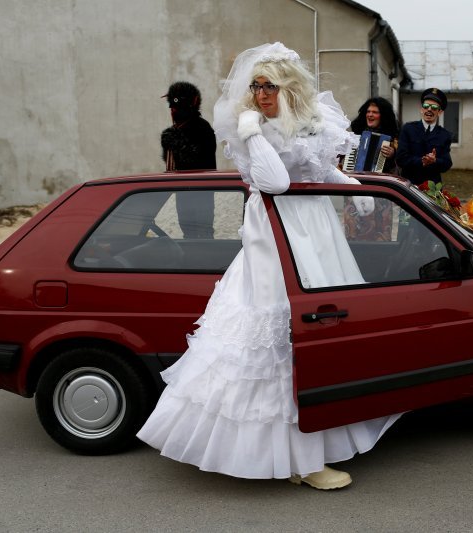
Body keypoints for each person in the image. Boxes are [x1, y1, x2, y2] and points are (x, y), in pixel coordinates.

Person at [137, 42, 400, 490]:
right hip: (277, 238)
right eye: (257, 86)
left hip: (316, 233)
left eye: (270, 86)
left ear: (289, 87)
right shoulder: (249, 129)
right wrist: (252, 131)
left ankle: (315, 446)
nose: (261, 94)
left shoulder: (309, 121)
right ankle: (301, 462)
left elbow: (319, 169)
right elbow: (276, 182)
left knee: (323, 338)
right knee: (279, 342)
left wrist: (354, 187)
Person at [161, 81, 217, 238]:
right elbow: (171, 166)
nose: (173, 111)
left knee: (201, 232)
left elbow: (199, 162)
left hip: (200, 192)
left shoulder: (202, 128)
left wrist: (175, 141)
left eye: (177, 107)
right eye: (172, 107)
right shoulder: (175, 130)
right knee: (188, 231)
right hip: (183, 191)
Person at [343, 97, 400, 240]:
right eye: (368, 111)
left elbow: (401, 164)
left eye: (375, 112)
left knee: (380, 230)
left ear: (383, 116)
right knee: (354, 231)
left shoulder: (393, 138)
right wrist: (346, 159)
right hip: (356, 187)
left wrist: (393, 154)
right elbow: (342, 158)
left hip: (380, 191)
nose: (370, 115)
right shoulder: (356, 134)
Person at [396, 88, 453, 185]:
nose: (429, 109)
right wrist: (422, 161)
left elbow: (447, 163)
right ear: (422, 109)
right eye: (426, 106)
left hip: (432, 189)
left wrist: (435, 161)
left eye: (434, 107)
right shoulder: (408, 129)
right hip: (409, 187)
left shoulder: (445, 135)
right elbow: (401, 158)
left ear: (439, 112)